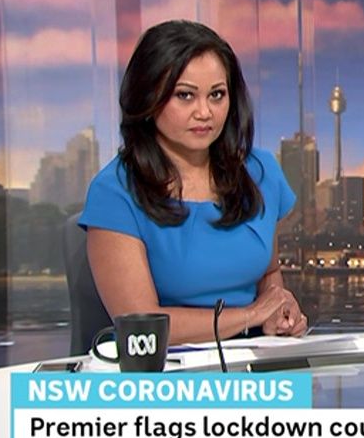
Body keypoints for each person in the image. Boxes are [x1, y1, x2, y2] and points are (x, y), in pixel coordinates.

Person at [79, 20, 307, 344]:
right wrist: (249, 316)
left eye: (217, 95)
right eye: (185, 95)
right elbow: (140, 325)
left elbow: (268, 275)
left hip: (254, 359)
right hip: (163, 368)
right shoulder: (114, 192)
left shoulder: (261, 172)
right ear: (147, 98)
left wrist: (280, 312)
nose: (204, 112)